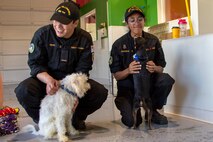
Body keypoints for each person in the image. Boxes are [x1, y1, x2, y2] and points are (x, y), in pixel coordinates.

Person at [15, 1, 108, 130]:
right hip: (46, 81)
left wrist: (73, 93)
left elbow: (83, 70)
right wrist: (49, 80)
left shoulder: (85, 38)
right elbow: (35, 64)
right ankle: (44, 120)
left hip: (71, 84)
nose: (58, 26)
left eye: (63, 22)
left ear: (75, 23)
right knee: (23, 90)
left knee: (99, 92)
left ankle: (75, 119)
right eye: (55, 20)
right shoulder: (42, 34)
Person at [109, 6, 175, 128]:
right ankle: (126, 105)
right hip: (127, 87)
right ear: (127, 23)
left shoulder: (153, 40)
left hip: (147, 84)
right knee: (132, 122)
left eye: (140, 19)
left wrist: (155, 67)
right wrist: (128, 70)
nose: (136, 23)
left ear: (144, 21)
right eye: (132, 20)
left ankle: (153, 110)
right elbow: (116, 75)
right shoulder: (118, 44)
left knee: (166, 80)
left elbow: (161, 67)